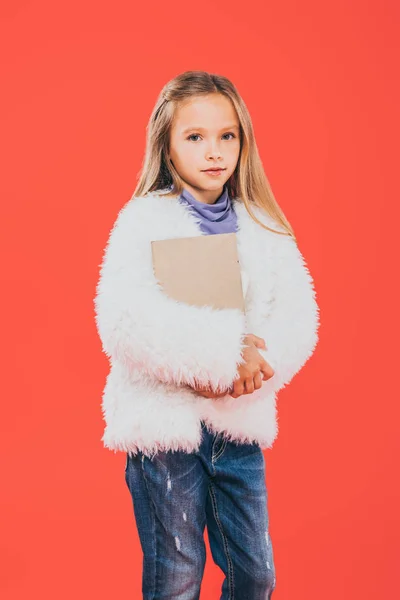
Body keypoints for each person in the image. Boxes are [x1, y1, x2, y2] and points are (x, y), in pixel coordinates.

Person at [94, 70, 320, 599]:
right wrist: (221, 356)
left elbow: (298, 314)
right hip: (167, 432)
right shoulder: (142, 220)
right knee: (177, 575)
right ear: (167, 148)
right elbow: (125, 320)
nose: (213, 151)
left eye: (227, 136)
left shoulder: (263, 224)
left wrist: (257, 369)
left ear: (243, 142)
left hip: (237, 425)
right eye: (194, 137)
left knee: (256, 574)